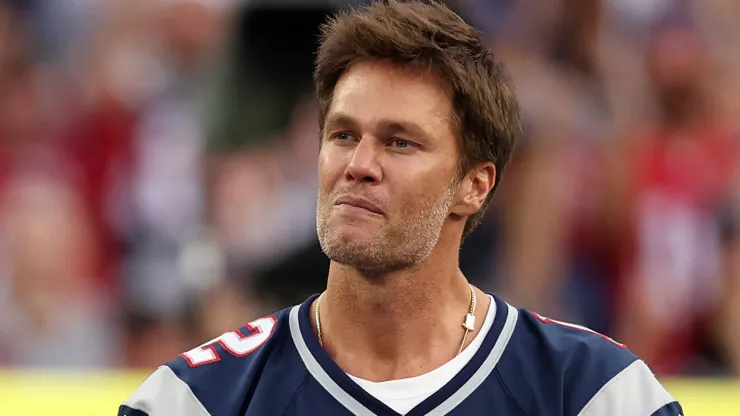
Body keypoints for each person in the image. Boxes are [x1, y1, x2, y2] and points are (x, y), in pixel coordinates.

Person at [119, 1, 683, 415]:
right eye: (341, 135)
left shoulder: (595, 393)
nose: (359, 164)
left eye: (399, 142)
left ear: (475, 186)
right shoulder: (194, 401)